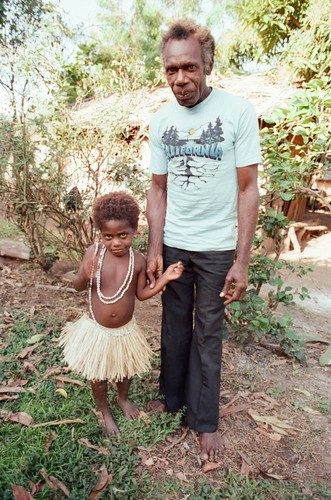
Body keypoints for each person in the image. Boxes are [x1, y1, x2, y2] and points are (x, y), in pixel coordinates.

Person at [146, 20, 261, 462]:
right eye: (172, 69)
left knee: (208, 331)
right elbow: (158, 189)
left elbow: (248, 188)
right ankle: (171, 400)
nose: (181, 79)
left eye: (189, 67)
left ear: (207, 63)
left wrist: (242, 259)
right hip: (174, 243)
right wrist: (155, 248)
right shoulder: (161, 120)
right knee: (174, 327)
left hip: (215, 247)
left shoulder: (237, 112)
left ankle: (205, 419)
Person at [60, 191, 183, 436]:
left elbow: (142, 294)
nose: (116, 242)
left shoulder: (137, 260)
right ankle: (104, 410)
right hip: (97, 331)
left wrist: (165, 278)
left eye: (123, 235)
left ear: (134, 231)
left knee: (125, 370)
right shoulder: (93, 254)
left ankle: (123, 398)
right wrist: (84, 274)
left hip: (124, 332)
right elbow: (77, 286)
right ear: (100, 234)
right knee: (98, 375)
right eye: (108, 236)